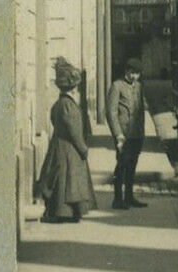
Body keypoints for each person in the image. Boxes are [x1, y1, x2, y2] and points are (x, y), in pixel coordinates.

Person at [35, 61, 98, 223]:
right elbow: (74, 131)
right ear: (73, 88)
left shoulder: (58, 104)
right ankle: (64, 213)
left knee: (62, 181)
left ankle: (62, 212)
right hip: (70, 150)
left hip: (59, 146)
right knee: (68, 182)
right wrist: (83, 149)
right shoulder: (68, 105)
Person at [107, 57, 147, 210]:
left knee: (132, 165)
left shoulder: (139, 87)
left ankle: (129, 197)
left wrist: (142, 132)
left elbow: (141, 111)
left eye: (137, 74)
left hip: (136, 133)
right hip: (123, 134)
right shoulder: (117, 86)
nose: (135, 76)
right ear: (127, 71)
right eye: (133, 73)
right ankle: (117, 199)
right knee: (122, 164)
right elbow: (111, 113)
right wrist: (118, 134)